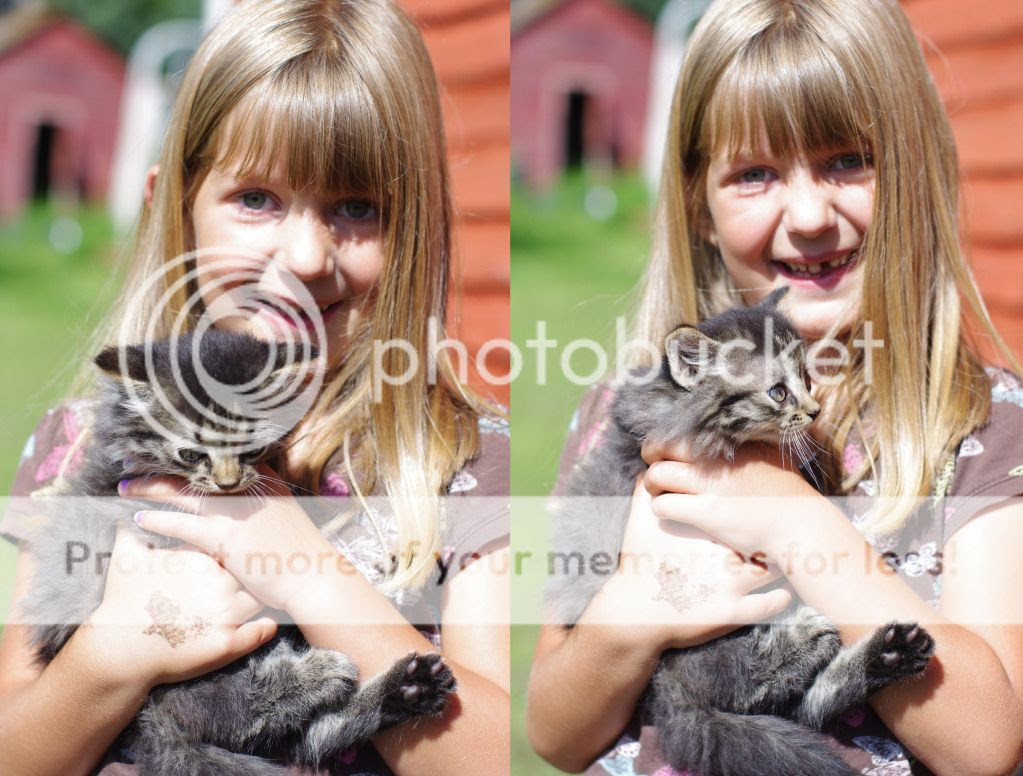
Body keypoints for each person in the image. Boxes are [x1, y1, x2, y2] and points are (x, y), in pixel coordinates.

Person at [0, 1, 510, 774]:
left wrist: (308, 576)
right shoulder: (78, 444)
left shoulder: (460, 462)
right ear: (173, 208)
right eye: (256, 199)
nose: (305, 257)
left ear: (418, 230)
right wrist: (110, 657)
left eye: (357, 207)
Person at [526, 0, 1023, 773]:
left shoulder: (983, 428)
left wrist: (799, 525)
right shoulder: (617, 414)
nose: (809, 215)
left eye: (847, 160)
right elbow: (554, 734)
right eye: (754, 174)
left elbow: (985, 747)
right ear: (696, 203)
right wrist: (626, 617)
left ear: (915, 171)